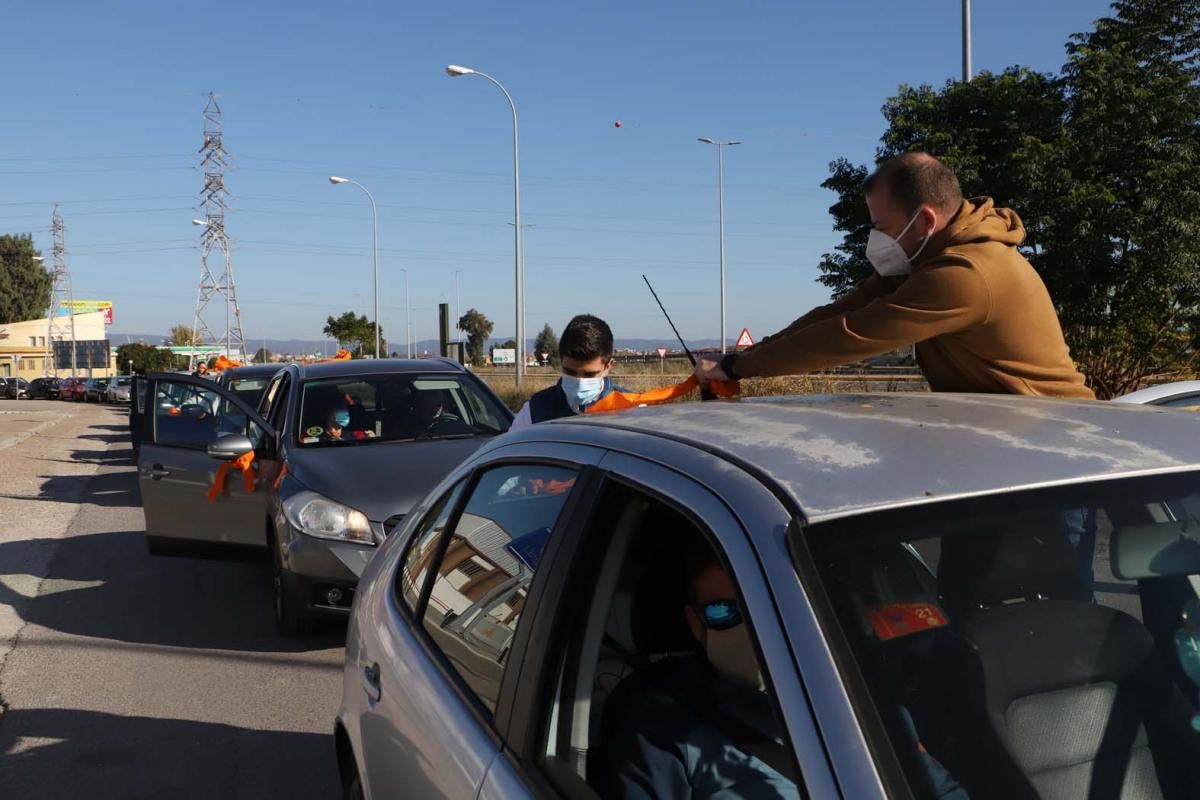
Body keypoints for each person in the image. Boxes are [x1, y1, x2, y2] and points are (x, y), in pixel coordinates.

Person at [696, 152, 1094, 400]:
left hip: (1052, 442)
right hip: (1008, 435)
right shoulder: (924, 261)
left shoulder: (966, 273)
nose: (876, 238)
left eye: (881, 226)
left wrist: (737, 369)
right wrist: (741, 358)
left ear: (924, 220)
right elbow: (838, 312)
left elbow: (851, 334)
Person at [598, 543, 801, 799]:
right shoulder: (659, 724)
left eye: (764, 607)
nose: (753, 628)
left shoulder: (845, 683)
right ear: (695, 623)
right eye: (723, 611)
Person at [510, 314, 624, 431]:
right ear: (561, 361)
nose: (580, 383)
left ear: (608, 366)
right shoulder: (535, 411)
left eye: (589, 375)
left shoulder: (631, 409)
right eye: (570, 372)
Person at [301, 403, 376, 443]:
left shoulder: (350, 435)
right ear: (327, 422)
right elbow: (303, 441)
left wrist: (370, 437)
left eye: (340, 426)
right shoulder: (319, 436)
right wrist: (327, 441)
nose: (337, 429)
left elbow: (362, 436)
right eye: (333, 424)